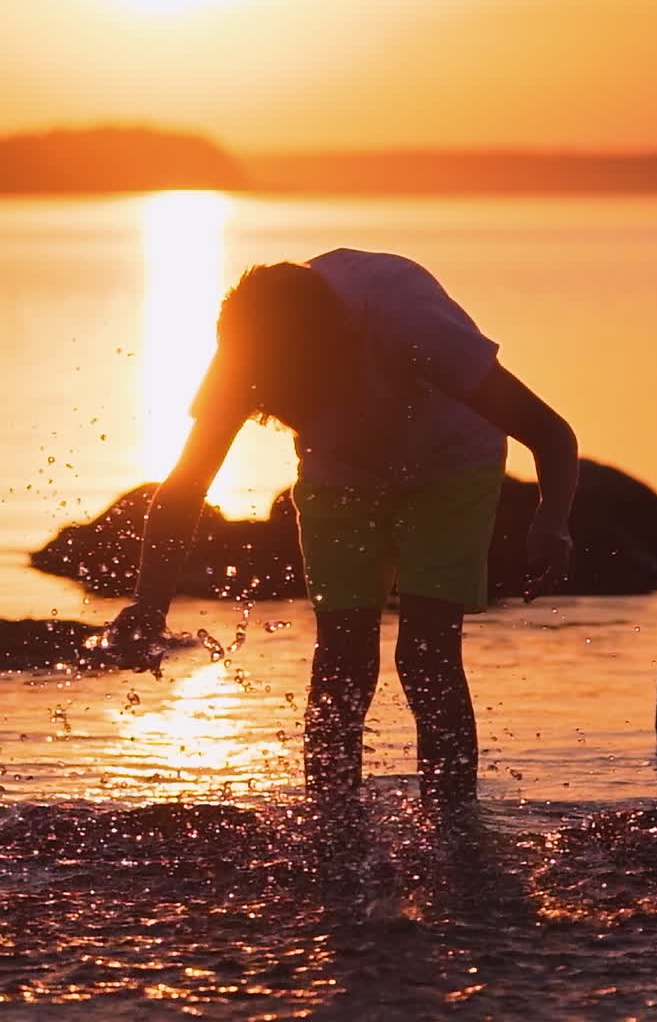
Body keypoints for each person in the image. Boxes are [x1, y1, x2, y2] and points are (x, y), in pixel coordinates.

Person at [106, 249, 578, 821]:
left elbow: (552, 433)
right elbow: (185, 488)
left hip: (451, 463)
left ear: (331, 352)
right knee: (341, 656)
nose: (280, 408)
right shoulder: (246, 355)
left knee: (426, 656)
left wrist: (551, 522)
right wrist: (149, 605)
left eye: (289, 393)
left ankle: (453, 827)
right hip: (342, 474)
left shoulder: (408, 323)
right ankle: (332, 825)